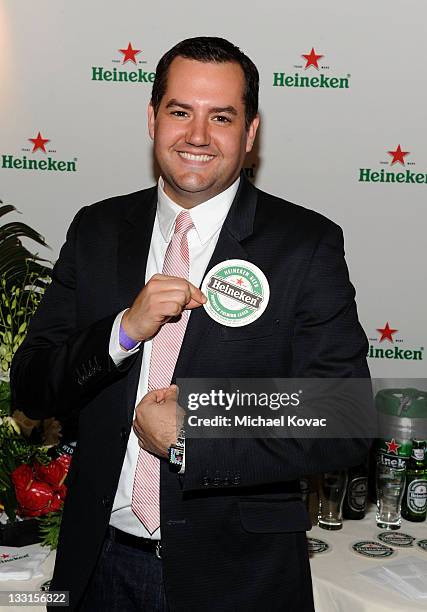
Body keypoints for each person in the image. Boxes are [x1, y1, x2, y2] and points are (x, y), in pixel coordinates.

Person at [11, 37, 371, 611]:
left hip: (235, 576)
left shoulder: (304, 245)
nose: (198, 135)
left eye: (221, 117)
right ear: (153, 119)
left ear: (250, 134)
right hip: (97, 563)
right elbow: (31, 384)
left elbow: (343, 414)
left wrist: (192, 435)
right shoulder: (99, 229)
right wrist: (122, 332)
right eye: (181, 111)